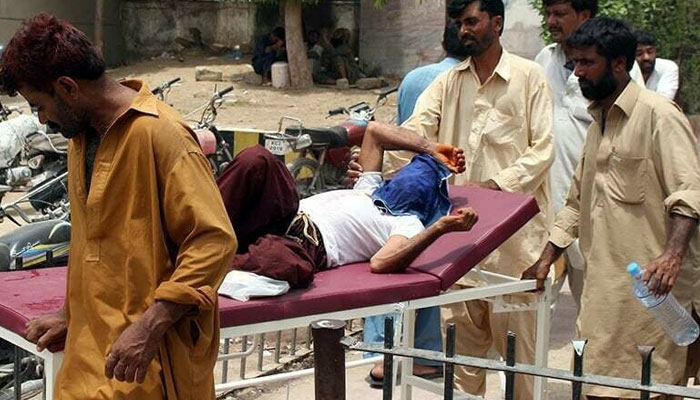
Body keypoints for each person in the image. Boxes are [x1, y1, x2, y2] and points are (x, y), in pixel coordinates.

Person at [0, 13, 237, 399]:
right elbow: (95, 245)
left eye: (38, 105)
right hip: (87, 357)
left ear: (67, 87)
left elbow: (213, 242)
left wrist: (149, 326)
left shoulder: (162, 135)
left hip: (146, 361)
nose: (41, 119)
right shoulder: (81, 139)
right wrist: (69, 313)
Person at [355, 0, 554, 397]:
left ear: (496, 23)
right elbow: (415, 133)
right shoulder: (448, 83)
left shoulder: (529, 77)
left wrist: (494, 188)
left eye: (471, 21)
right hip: (459, 250)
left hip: (516, 254)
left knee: (522, 370)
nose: (463, 30)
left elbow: (543, 151)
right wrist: (370, 166)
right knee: (462, 369)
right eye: (458, 23)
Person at [522, 17, 700, 399]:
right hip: (603, 297)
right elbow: (575, 203)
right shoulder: (596, 124)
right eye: (575, 64)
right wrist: (546, 257)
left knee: (649, 390)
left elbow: (689, 193)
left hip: (652, 297)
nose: (579, 73)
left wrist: (671, 256)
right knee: (597, 387)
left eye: (588, 63)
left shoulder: (659, 116)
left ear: (619, 64)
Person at [217, 122, 479, 289]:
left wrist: (440, 228)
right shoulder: (369, 187)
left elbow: (381, 263)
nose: (409, 182)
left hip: (306, 244)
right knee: (257, 158)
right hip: (286, 212)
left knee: (284, 263)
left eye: (420, 184)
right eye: (408, 175)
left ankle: (208, 259)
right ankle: (195, 229)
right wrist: (430, 148)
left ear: (428, 201)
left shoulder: (408, 223)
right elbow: (375, 131)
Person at [363, 18, 470, 388]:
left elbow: (387, 130)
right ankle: (416, 353)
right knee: (419, 267)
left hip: (398, 179)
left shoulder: (415, 79)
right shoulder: (458, 82)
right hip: (430, 185)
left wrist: (377, 171)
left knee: (389, 264)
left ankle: (382, 349)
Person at [534, 0, 649, 309]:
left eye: (560, 14)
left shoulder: (617, 73)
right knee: (534, 310)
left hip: (592, 210)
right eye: (548, 13)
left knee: (594, 312)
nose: (551, 21)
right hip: (548, 207)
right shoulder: (545, 59)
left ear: (584, 16)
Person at [635, 29, 680, 100]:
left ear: (655, 51)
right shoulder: (625, 72)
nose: (646, 57)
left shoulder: (667, 67)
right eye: (639, 54)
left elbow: (663, 102)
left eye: (650, 52)